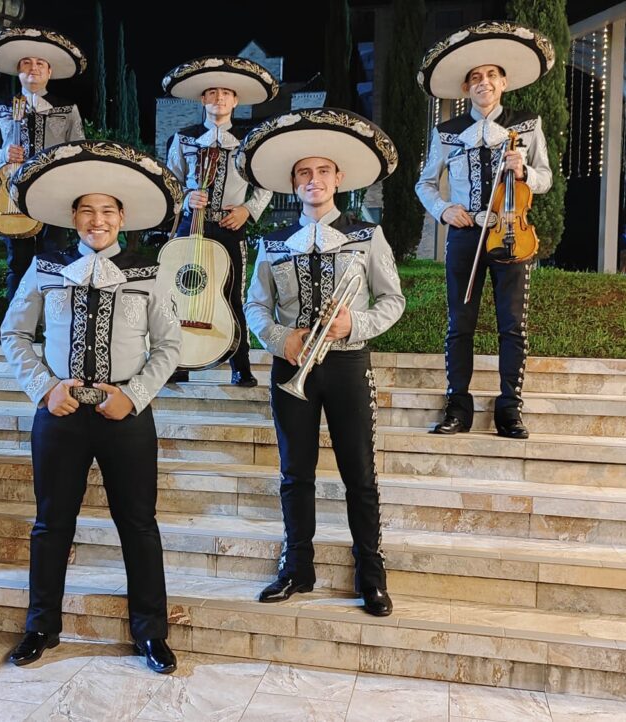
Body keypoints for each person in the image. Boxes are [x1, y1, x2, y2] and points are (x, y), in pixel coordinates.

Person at [0, 140, 184, 673]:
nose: (97, 220)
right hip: (59, 414)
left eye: (107, 211)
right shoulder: (45, 267)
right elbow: (15, 332)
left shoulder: (149, 272)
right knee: (50, 523)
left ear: (121, 218)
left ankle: (150, 632)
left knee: (139, 524)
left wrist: (135, 395)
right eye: (87, 210)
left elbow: (169, 345)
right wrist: (43, 388)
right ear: (73, 217)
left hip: (126, 412)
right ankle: (41, 626)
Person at [238, 108, 406, 616]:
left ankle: (371, 573)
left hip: (348, 365)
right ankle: (298, 567)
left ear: (339, 179)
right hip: (292, 368)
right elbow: (254, 305)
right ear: (294, 184)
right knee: (295, 473)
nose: (314, 180)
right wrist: (279, 338)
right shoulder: (271, 242)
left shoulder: (367, 235)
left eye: (323, 172)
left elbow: (392, 301)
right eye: (304, 173)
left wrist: (351, 325)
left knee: (360, 473)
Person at [414, 21, 555, 440]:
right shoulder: (447, 132)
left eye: (491, 75)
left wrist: (524, 170)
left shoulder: (526, 125)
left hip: (514, 233)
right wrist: (444, 210)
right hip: (467, 234)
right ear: (466, 88)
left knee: (513, 325)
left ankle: (510, 408)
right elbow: (424, 183)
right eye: (475, 78)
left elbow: (546, 178)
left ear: (504, 82)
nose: (483, 83)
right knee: (460, 323)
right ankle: (458, 405)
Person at [162, 56, 278, 386]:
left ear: (235, 100)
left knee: (232, 295)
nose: (219, 99)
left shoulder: (249, 140)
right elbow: (170, 183)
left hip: (230, 226)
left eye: (226, 93)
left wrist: (248, 210)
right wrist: (185, 198)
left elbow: (264, 183)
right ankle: (178, 360)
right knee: (182, 290)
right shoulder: (182, 138)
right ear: (203, 99)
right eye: (212, 93)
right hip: (191, 227)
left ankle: (239, 363)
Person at [0, 26, 87, 300]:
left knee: (54, 260)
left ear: (50, 71)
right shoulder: (0, 106)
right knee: (18, 263)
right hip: (13, 198)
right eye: (26, 63)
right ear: (18, 71)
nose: (33, 68)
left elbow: (80, 152)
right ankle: (14, 326)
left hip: (55, 197)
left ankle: (50, 327)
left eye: (40, 63)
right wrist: (4, 155)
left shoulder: (68, 108)